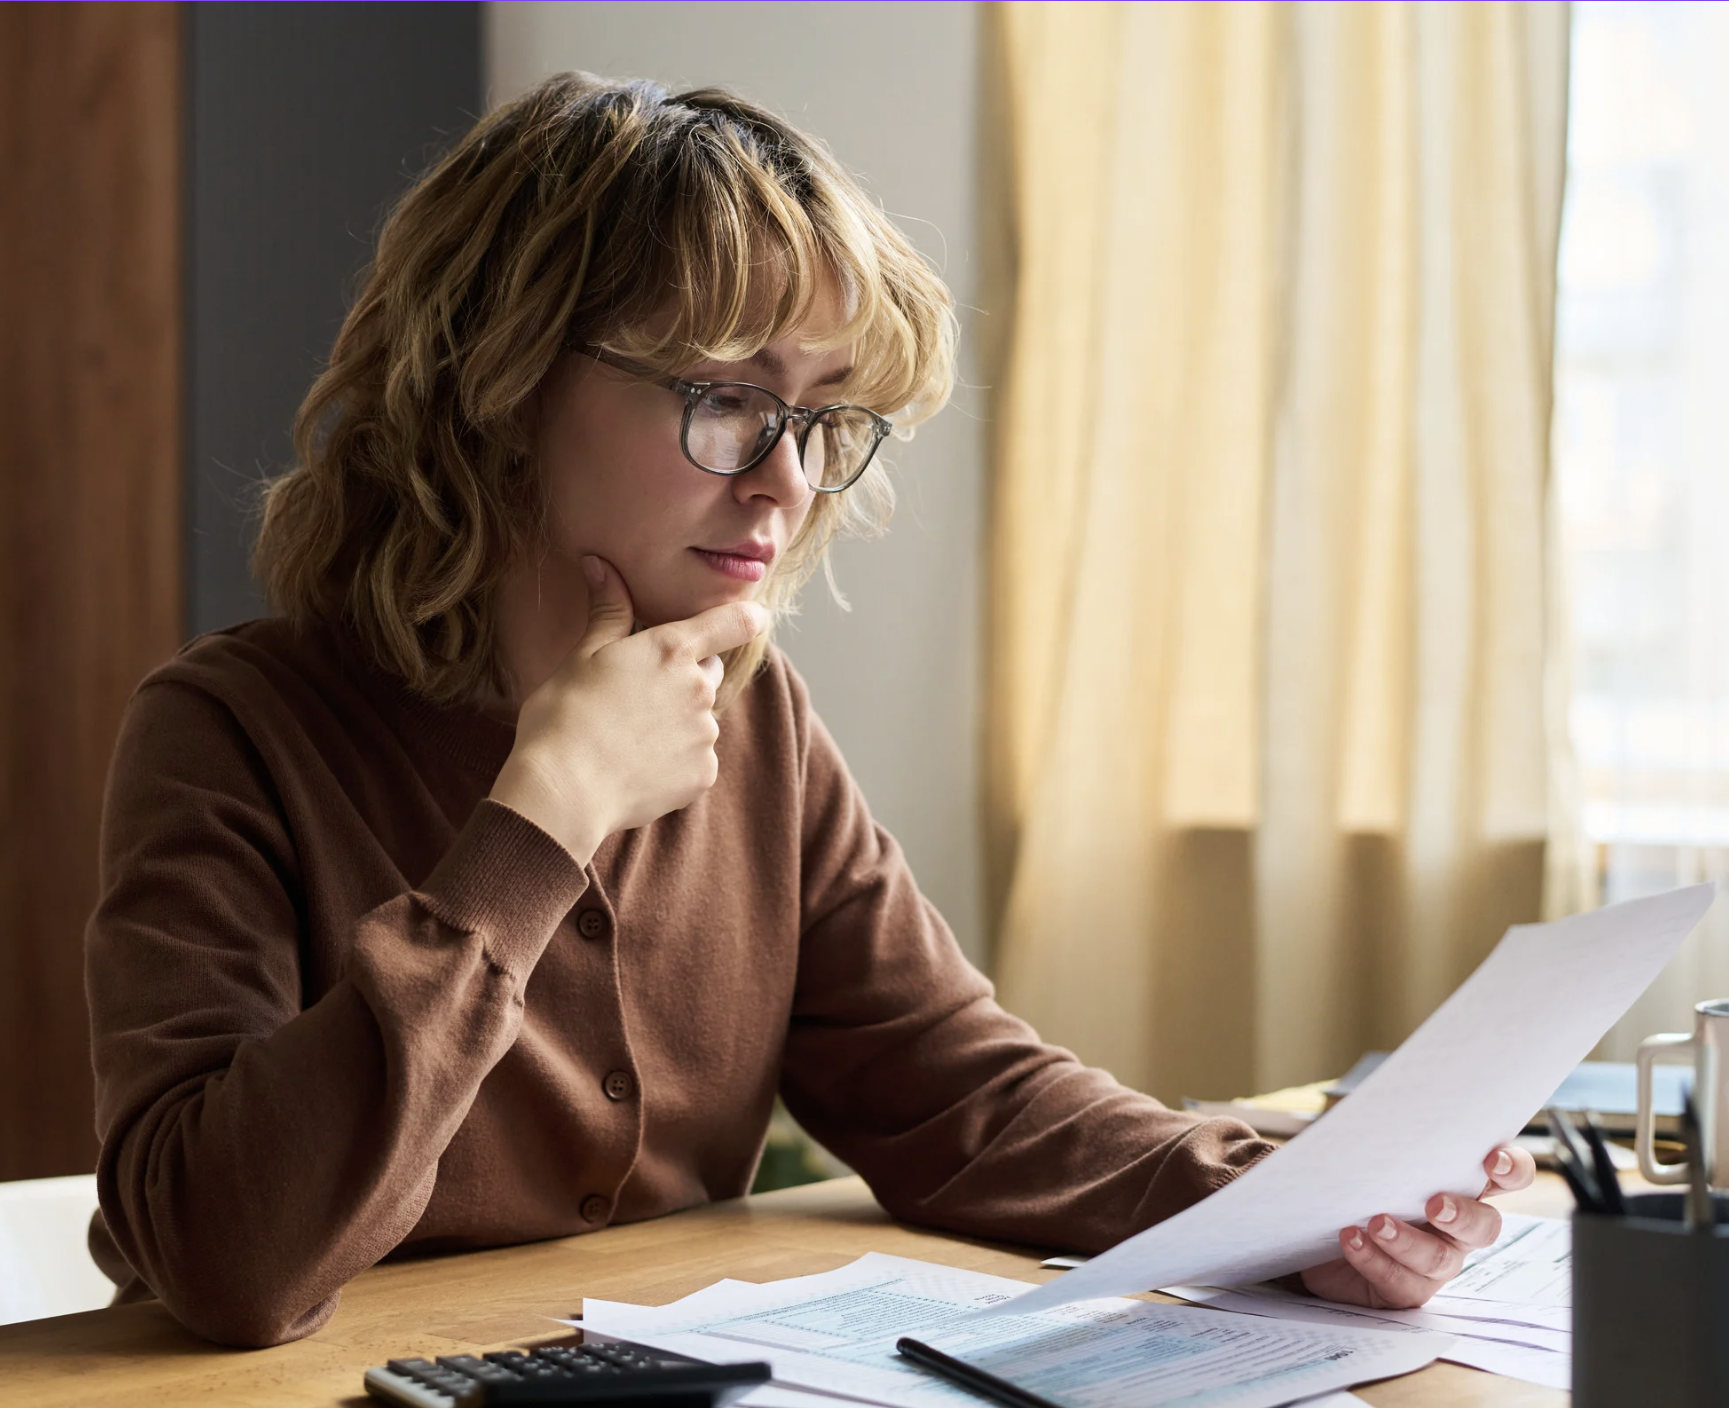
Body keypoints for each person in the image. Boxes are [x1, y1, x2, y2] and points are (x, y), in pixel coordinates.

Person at [84, 73, 1534, 1349]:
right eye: (728, 397)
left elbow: (965, 1102)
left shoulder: (752, 721)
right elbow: (229, 1262)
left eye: (824, 417)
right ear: (500, 381)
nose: (784, 479)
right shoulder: (230, 734)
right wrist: (548, 814)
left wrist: (1313, 1205)